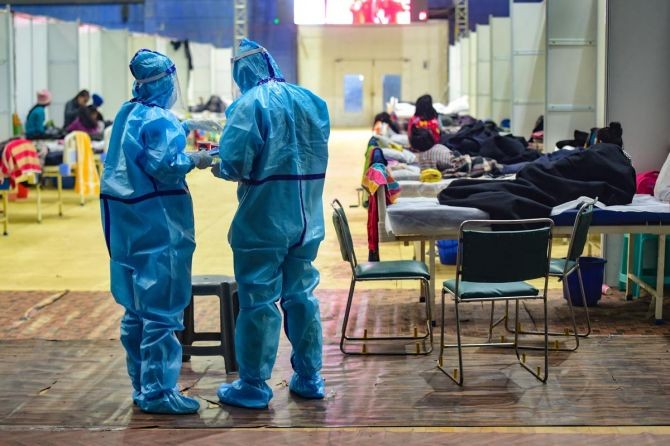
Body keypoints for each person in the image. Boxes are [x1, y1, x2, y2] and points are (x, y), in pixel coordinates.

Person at [211, 38, 330, 409]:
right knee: (301, 296)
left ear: (241, 72)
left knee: (258, 302)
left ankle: (253, 385)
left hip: (264, 219)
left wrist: (211, 159)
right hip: (307, 217)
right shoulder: (311, 100)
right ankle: (309, 377)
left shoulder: (248, 105)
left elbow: (233, 164)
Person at [99, 49, 214, 415]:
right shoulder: (159, 118)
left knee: (135, 308)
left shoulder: (126, 113)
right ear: (165, 80)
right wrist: (196, 159)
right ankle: (159, 392)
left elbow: (136, 157)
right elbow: (165, 165)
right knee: (162, 308)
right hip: (156, 219)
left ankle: (142, 384)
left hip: (123, 222)